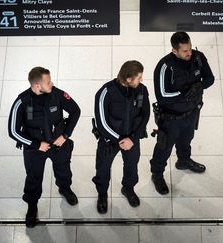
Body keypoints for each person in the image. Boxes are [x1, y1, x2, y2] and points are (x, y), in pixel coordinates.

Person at [8, 66, 81, 227]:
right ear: (37, 86)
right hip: (35, 149)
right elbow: (12, 131)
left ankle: (65, 189)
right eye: (48, 82)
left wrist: (65, 135)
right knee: (33, 178)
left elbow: (75, 111)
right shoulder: (22, 101)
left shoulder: (57, 94)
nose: (52, 83)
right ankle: (32, 206)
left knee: (64, 169)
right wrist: (36, 144)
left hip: (58, 144)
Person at [150, 32, 215, 195]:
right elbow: (162, 96)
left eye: (190, 48)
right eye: (185, 51)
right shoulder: (164, 67)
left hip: (192, 113)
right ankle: (157, 174)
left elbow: (210, 78)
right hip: (170, 118)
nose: (189, 53)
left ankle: (184, 161)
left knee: (186, 140)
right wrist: (186, 94)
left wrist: (199, 87)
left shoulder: (198, 57)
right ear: (174, 51)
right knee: (164, 148)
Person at [92, 60, 150, 214]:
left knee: (132, 166)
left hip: (132, 139)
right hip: (109, 140)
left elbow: (145, 115)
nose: (141, 80)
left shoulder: (142, 90)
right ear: (128, 79)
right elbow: (101, 122)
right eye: (139, 78)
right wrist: (119, 140)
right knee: (103, 168)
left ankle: (128, 189)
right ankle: (102, 194)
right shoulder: (105, 92)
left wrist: (132, 138)